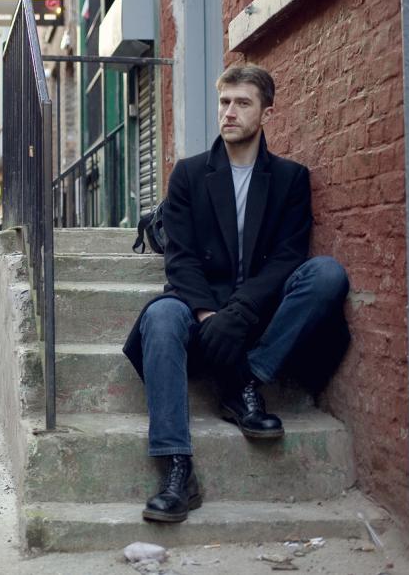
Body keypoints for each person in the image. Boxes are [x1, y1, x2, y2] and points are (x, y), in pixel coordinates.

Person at [122, 65, 350, 523]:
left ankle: (246, 378)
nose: (229, 112)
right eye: (224, 102)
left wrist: (242, 311)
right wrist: (207, 314)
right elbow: (180, 258)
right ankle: (176, 468)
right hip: (198, 306)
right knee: (160, 317)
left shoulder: (290, 179)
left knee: (326, 275)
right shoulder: (188, 175)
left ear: (266, 111)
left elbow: (288, 258)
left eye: (242, 103)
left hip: (261, 312)